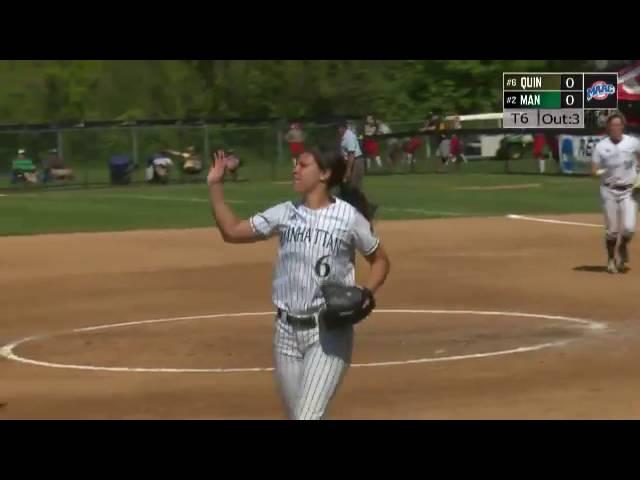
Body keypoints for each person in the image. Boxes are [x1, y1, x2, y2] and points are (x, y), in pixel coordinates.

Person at [206, 147, 391, 420]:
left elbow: (380, 261)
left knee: (307, 418)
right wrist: (215, 186)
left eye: (303, 165)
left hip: (327, 331)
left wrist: (365, 291)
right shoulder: (285, 213)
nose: (295, 169)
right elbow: (233, 232)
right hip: (285, 334)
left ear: (325, 174)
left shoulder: (349, 218)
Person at [591, 112, 640, 273]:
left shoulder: (632, 142)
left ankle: (623, 246)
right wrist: (602, 172)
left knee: (629, 228)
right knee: (612, 231)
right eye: (613, 125)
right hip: (609, 190)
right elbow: (594, 170)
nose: (616, 128)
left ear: (623, 127)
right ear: (608, 128)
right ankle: (611, 259)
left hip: (629, 191)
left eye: (619, 125)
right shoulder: (601, 146)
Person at [338, 121, 366, 189]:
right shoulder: (343, 136)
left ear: (343, 128)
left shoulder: (349, 137)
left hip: (355, 162)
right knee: (348, 187)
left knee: (353, 188)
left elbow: (351, 154)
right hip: (351, 162)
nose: (337, 130)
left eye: (338, 128)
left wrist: (348, 170)